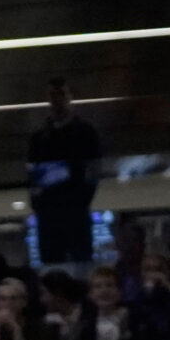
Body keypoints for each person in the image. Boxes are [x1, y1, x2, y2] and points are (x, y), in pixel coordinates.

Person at [26, 78, 102, 263]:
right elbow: (33, 175)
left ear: (69, 97)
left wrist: (80, 199)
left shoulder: (85, 132)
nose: (57, 100)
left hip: (73, 210)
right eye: (53, 95)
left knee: (77, 257)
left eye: (60, 94)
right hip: (52, 214)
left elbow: (93, 170)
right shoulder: (39, 137)